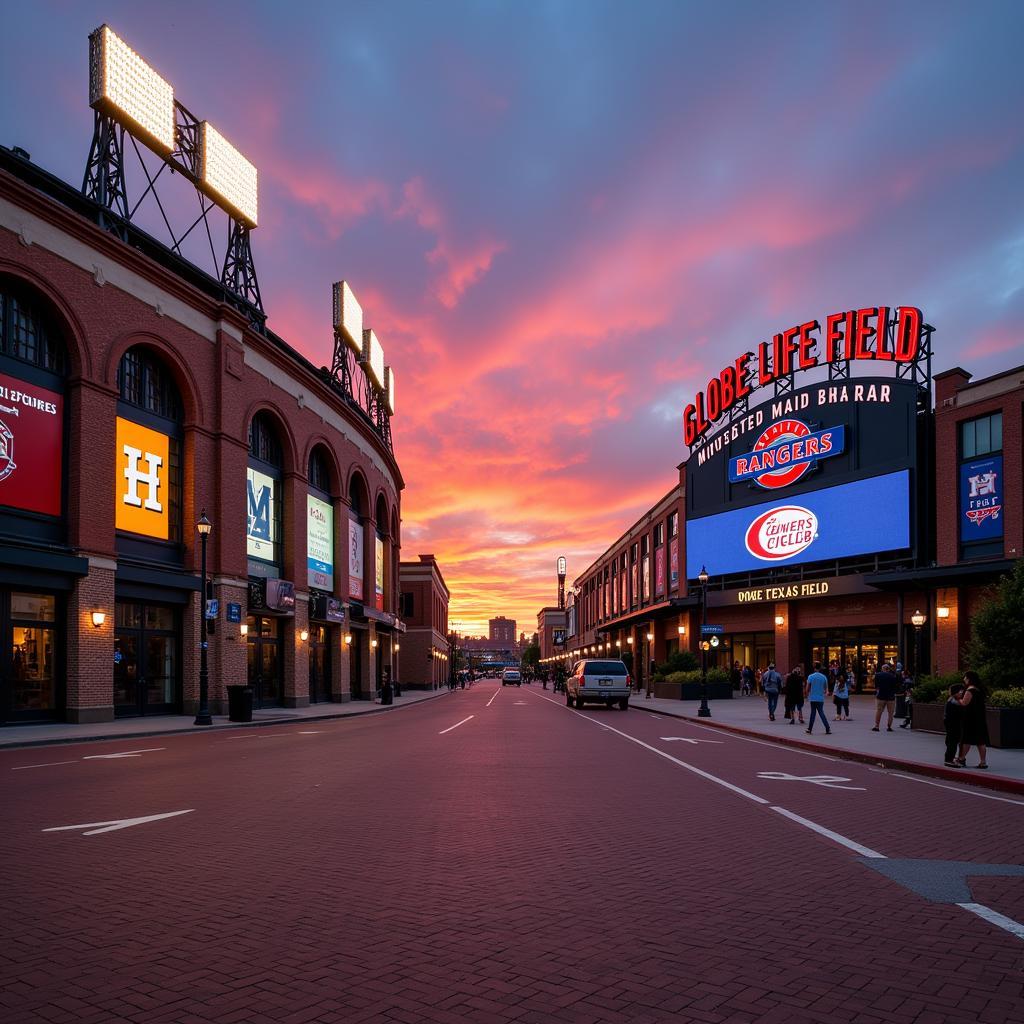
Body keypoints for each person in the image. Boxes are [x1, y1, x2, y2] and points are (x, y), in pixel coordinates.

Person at [957, 671, 989, 769]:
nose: (964, 679)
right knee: (981, 741)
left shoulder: (970, 690)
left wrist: (958, 698)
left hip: (970, 718)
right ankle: (983, 762)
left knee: (966, 739)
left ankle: (961, 758)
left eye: (965, 677)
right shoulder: (979, 689)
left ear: (969, 678)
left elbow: (964, 703)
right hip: (980, 717)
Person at [804, 661, 832, 735]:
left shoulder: (811, 676)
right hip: (820, 698)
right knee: (821, 712)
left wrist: (806, 695)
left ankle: (810, 729)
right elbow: (826, 689)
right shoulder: (824, 677)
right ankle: (827, 728)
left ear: (814, 668)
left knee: (813, 713)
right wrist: (825, 693)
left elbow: (807, 688)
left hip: (813, 697)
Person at [871, 662, 900, 731]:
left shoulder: (878, 675)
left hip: (881, 695)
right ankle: (889, 727)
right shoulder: (893, 676)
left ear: (882, 669)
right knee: (890, 713)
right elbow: (896, 686)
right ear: (889, 669)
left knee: (879, 711)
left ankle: (877, 726)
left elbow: (876, 685)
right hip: (890, 697)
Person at [943, 682, 965, 767]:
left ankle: (949, 758)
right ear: (956, 692)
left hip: (951, 724)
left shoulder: (951, 700)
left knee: (951, 741)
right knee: (953, 742)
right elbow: (959, 712)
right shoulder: (954, 701)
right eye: (961, 692)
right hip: (953, 724)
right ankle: (949, 760)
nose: (962, 694)